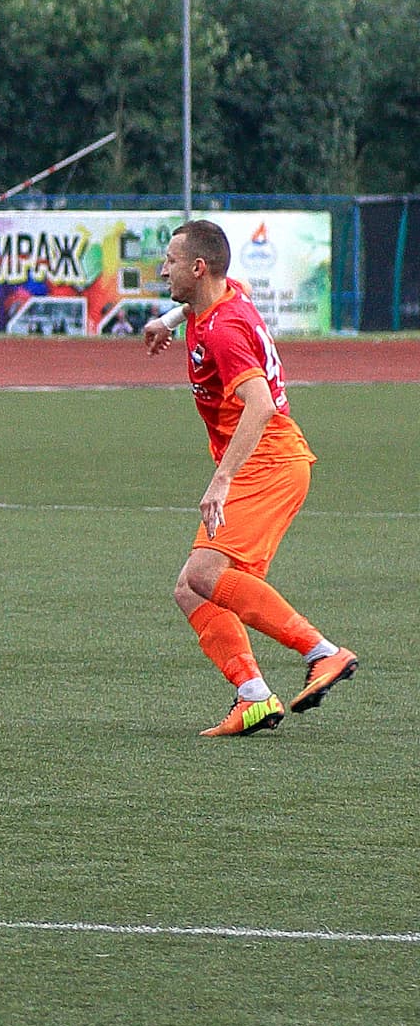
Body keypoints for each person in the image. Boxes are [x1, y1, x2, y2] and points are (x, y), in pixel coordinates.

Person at [143, 219, 358, 737]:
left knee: (202, 575)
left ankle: (322, 652)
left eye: (171, 260)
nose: (163, 267)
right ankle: (254, 696)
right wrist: (169, 318)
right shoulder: (218, 297)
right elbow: (211, 295)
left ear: (197, 267)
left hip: (268, 463)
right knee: (191, 588)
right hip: (270, 462)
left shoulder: (223, 331)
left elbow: (259, 405)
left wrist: (221, 481)